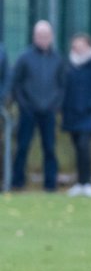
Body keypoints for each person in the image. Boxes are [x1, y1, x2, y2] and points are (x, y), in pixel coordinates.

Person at [8, 20, 66, 192]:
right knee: (23, 147)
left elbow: (62, 86)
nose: (43, 39)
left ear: (51, 37)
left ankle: (50, 185)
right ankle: (17, 182)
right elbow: (16, 84)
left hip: (48, 111)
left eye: (46, 36)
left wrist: (55, 105)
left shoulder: (57, 59)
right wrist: (24, 104)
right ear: (34, 36)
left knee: (49, 148)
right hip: (28, 111)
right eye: (40, 35)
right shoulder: (24, 57)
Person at [62, 32, 91, 197]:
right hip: (71, 115)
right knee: (77, 148)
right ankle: (80, 182)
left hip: (87, 115)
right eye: (75, 45)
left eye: (81, 45)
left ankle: (87, 182)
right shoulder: (69, 65)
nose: (77, 48)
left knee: (84, 147)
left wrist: (90, 106)